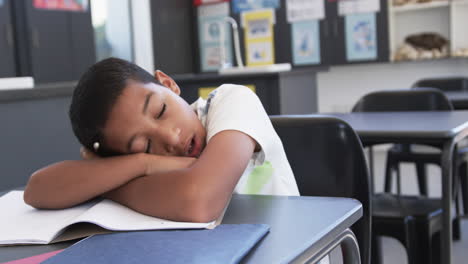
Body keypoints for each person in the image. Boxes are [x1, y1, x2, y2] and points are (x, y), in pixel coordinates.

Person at [23, 57, 299, 223]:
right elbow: (36, 189)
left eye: (160, 111)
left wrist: (110, 183)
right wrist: (142, 164)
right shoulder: (146, 164)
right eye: (144, 146)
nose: (170, 137)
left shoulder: (231, 101)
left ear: (168, 84)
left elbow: (198, 201)